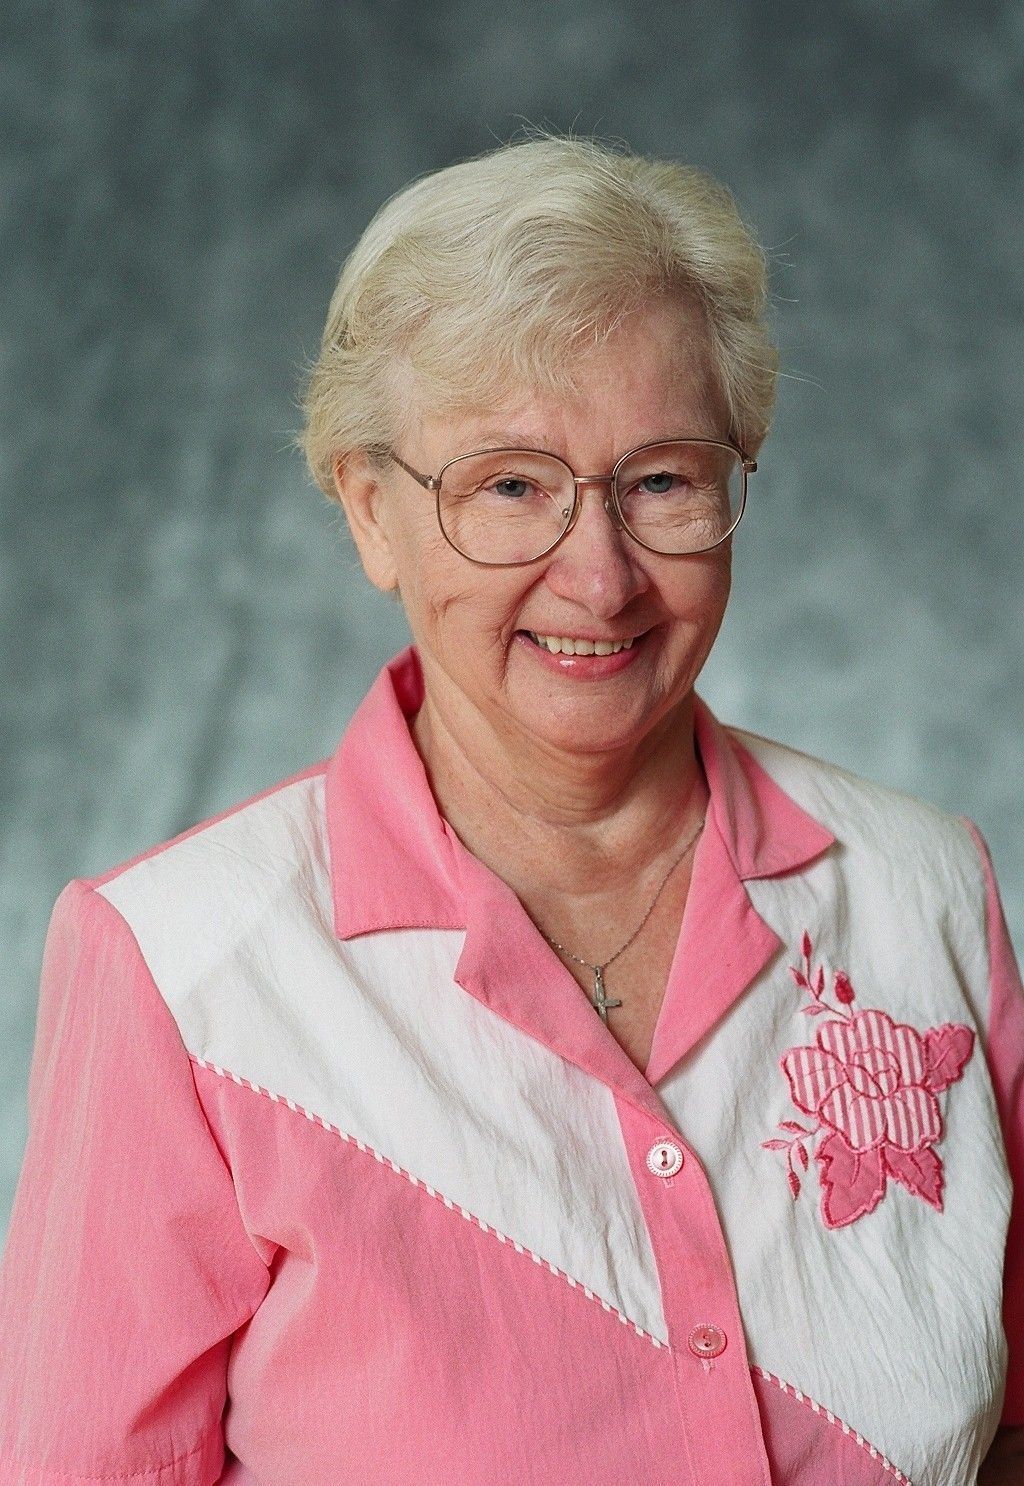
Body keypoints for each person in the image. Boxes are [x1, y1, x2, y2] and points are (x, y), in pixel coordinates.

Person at [0, 134, 1021, 1486]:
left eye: (661, 480)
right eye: (510, 486)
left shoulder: (926, 892)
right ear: (371, 512)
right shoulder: (184, 974)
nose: (600, 578)